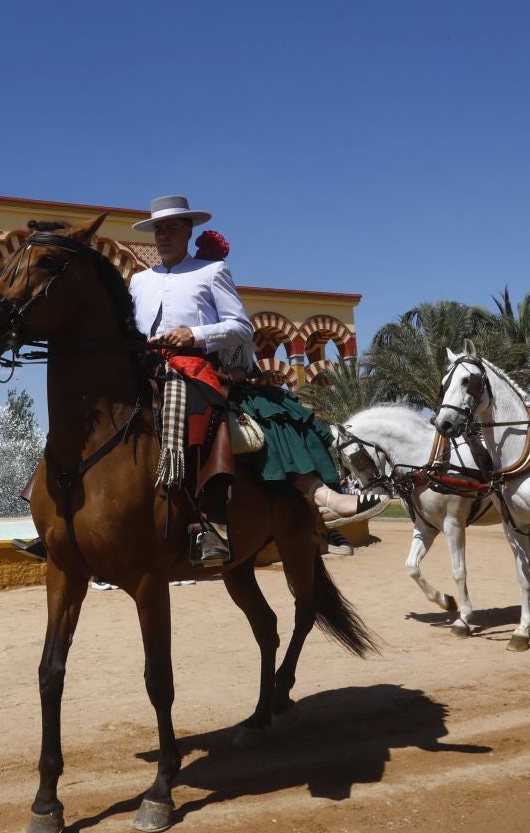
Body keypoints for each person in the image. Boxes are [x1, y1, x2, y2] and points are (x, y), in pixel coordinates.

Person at [128, 195, 374, 565]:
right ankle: (62, 519)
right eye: (158, 229)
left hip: (195, 368)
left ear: (188, 230)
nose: (163, 235)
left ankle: (206, 521)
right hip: (147, 367)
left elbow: (241, 326)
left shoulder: (210, 272)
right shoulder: (138, 282)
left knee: (200, 415)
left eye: (172, 227)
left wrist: (195, 335)